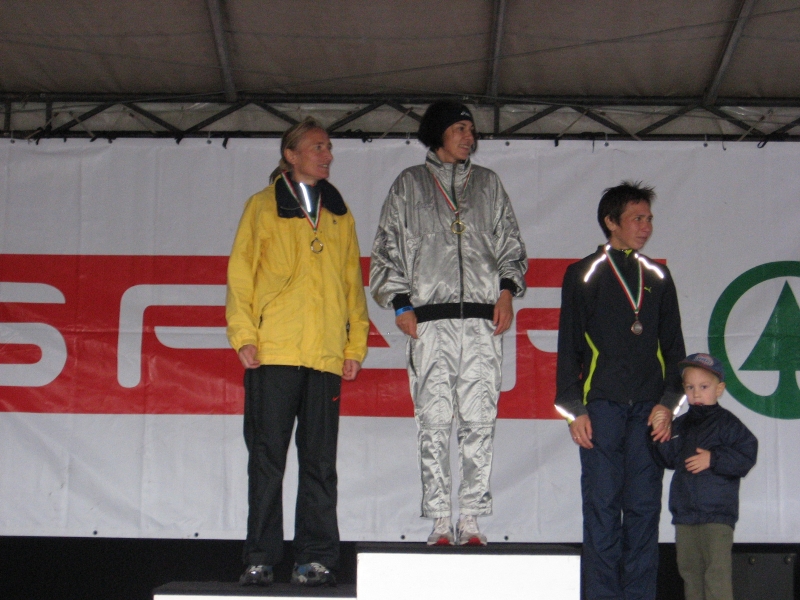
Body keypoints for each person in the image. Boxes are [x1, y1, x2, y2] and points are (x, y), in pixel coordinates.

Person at [370, 101, 527, 546]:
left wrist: (506, 292)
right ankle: (440, 519)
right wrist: (401, 304)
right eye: (459, 128)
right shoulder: (410, 184)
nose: (468, 137)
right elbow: (386, 249)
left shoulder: (488, 184)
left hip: (482, 322)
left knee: (479, 421)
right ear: (438, 132)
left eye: (471, 130)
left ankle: (471, 518)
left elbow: (511, 245)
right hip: (429, 323)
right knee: (434, 422)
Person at [226, 117, 369, 587]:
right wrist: (244, 334)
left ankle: (317, 558)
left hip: (325, 354)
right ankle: (260, 558)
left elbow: (352, 283)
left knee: (320, 464)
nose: (327, 155)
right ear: (290, 155)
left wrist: (355, 343)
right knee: (267, 460)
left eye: (329, 147)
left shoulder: (339, 213)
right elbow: (241, 274)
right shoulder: (262, 206)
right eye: (317, 147)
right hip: (274, 351)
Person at [554, 181, 686, 600]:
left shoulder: (659, 276)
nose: (646, 226)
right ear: (611, 222)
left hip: (649, 411)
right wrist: (574, 409)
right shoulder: (583, 273)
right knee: (602, 508)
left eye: (649, 218)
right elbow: (568, 347)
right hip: (602, 408)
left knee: (645, 509)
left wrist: (668, 405)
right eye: (637, 218)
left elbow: (675, 350)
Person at [654, 353, 758, 600]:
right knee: (690, 573)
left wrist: (713, 459)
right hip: (685, 515)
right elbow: (668, 459)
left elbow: (747, 455)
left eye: (704, 387)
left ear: (719, 389)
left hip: (717, 516)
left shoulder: (727, 424)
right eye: (690, 387)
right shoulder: (680, 424)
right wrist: (658, 433)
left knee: (716, 574)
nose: (696, 394)